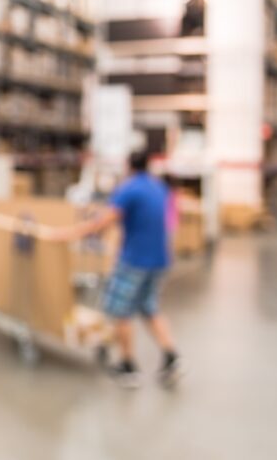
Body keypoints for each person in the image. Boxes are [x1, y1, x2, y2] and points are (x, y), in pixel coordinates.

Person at [61, 151, 183, 388]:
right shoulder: (158, 187)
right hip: (160, 259)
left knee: (120, 311)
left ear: (129, 166)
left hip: (135, 260)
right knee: (149, 308)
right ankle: (171, 357)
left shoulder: (129, 189)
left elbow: (105, 221)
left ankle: (128, 365)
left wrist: (69, 234)